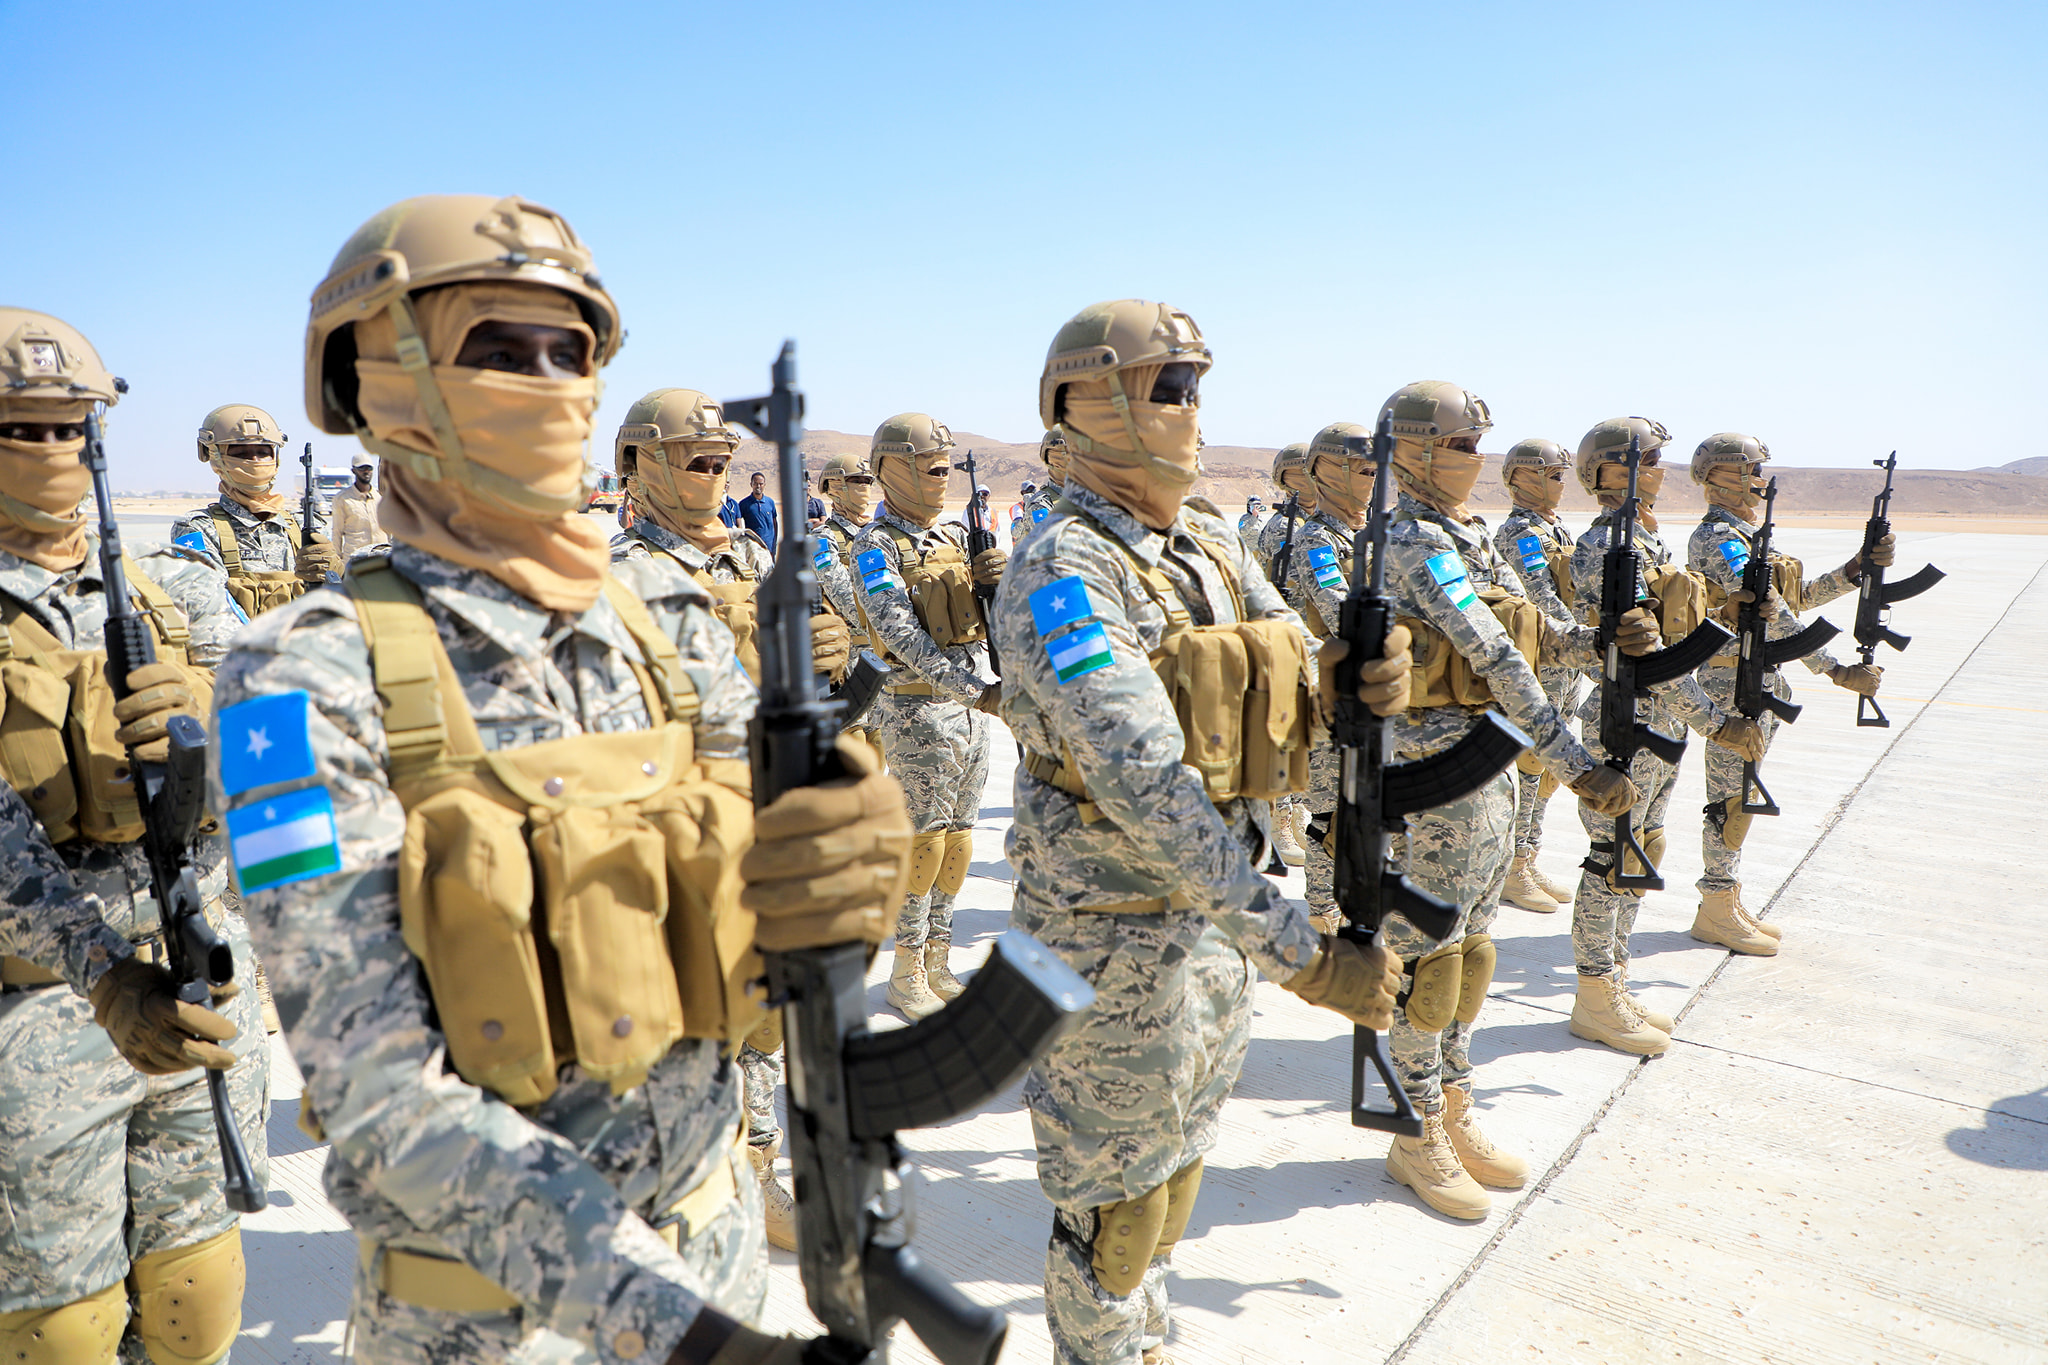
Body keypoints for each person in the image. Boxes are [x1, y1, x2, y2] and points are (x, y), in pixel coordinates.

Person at [213, 192, 908, 1363]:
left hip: (714, 1254)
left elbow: (786, 930)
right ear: (375, 379)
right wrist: (685, 1336)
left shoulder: (668, 620)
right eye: (496, 347)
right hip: (488, 1317)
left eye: (569, 348)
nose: (545, 378)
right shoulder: (299, 676)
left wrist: (847, 852)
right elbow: (382, 1100)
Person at [996, 299, 1406, 1365]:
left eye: (1194, 388)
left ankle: (1142, 1347)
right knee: (1111, 1219)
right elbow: (1144, 786)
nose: (1191, 410)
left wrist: (1357, 680)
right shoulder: (1064, 569)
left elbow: (1281, 670)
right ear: (1086, 403)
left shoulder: (1210, 541)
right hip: (1109, 941)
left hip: (1212, 931)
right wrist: (1306, 960)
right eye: (1167, 387)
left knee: (1171, 1184)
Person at [0, 307, 269, 1365]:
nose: (57, 449)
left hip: (197, 988)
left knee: (196, 1295)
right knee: (59, 1327)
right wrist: (104, 976)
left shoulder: (178, 590)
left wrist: (209, 723)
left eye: (75, 425)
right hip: (40, 1013)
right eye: (25, 426)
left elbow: (290, 762)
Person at [610, 386, 852, 1253]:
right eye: (692, 458)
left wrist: (833, 644)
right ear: (636, 463)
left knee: (766, 1013)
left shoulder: (756, 553)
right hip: (680, 827)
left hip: (771, 811)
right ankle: (682, 1187)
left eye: (719, 459)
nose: (711, 474)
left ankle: (757, 1175)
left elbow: (821, 659)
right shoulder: (624, 572)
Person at [1565, 418, 1764, 1055]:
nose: (1658, 468)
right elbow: (1648, 659)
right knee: (1610, 860)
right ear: (1610, 472)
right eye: (1647, 458)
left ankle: (1612, 980)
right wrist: (1717, 722)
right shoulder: (1603, 549)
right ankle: (1594, 996)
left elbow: (1674, 645)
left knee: (1639, 849)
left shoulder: (1647, 545)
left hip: (1659, 726)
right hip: (1624, 725)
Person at [1685, 432, 1887, 949]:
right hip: (1733, 684)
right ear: (1724, 477)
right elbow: (1773, 618)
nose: (1760, 479)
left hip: (1759, 676)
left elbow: (1795, 602)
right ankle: (1714, 905)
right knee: (1730, 801)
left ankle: (1725, 897)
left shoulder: (1748, 538)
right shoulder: (1719, 540)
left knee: (1742, 796)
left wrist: (1853, 570)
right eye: (1752, 469)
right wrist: (1835, 670)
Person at [850, 412, 1005, 1020]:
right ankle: (905, 970)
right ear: (891, 469)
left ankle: (938, 958)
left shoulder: (951, 538)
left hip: (967, 710)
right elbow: (897, 633)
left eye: (946, 464)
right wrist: (976, 692)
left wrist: (999, 583)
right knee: (923, 846)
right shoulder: (875, 545)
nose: (942, 475)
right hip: (917, 710)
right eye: (928, 464)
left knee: (960, 839)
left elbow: (981, 624)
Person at [1491, 439, 1582, 914]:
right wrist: (1582, 638)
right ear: (1524, 477)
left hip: (1565, 669)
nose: (1562, 484)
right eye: (1553, 474)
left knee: (1548, 770)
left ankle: (1528, 854)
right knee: (1530, 764)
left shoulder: (1556, 530)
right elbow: (1542, 599)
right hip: (1541, 665)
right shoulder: (1520, 534)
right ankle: (1513, 867)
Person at [169, 402, 339, 619]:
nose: (255, 461)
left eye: (263, 452)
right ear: (214, 455)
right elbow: (205, 608)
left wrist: (337, 575)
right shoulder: (197, 529)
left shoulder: (305, 526)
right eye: (242, 453)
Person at [1257, 441, 1317, 866]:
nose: (1307, 482)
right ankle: (1279, 819)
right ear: (1283, 480)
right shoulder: (1282, 528)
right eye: (1297, 475)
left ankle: (1296, 814)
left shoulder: (1321, 526)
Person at [332, 456, 385, 557]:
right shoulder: (342, 499)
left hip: (380, 559)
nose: (366, 472)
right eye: (362, 468)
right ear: (354, 471)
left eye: (369, 468)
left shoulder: (379, 498)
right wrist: (337, 561)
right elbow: (337, 533)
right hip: (356, 559)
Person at [736, 469, 779, 551]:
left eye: (761, 484)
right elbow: (737, 522)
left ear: (764, 485)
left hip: (769, 546)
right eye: (755, 483)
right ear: (751, 484)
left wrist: (774, 542)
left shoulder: (770, 502)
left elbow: (774, 523)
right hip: (753, 546)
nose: (758, 486)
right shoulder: (744, 504)